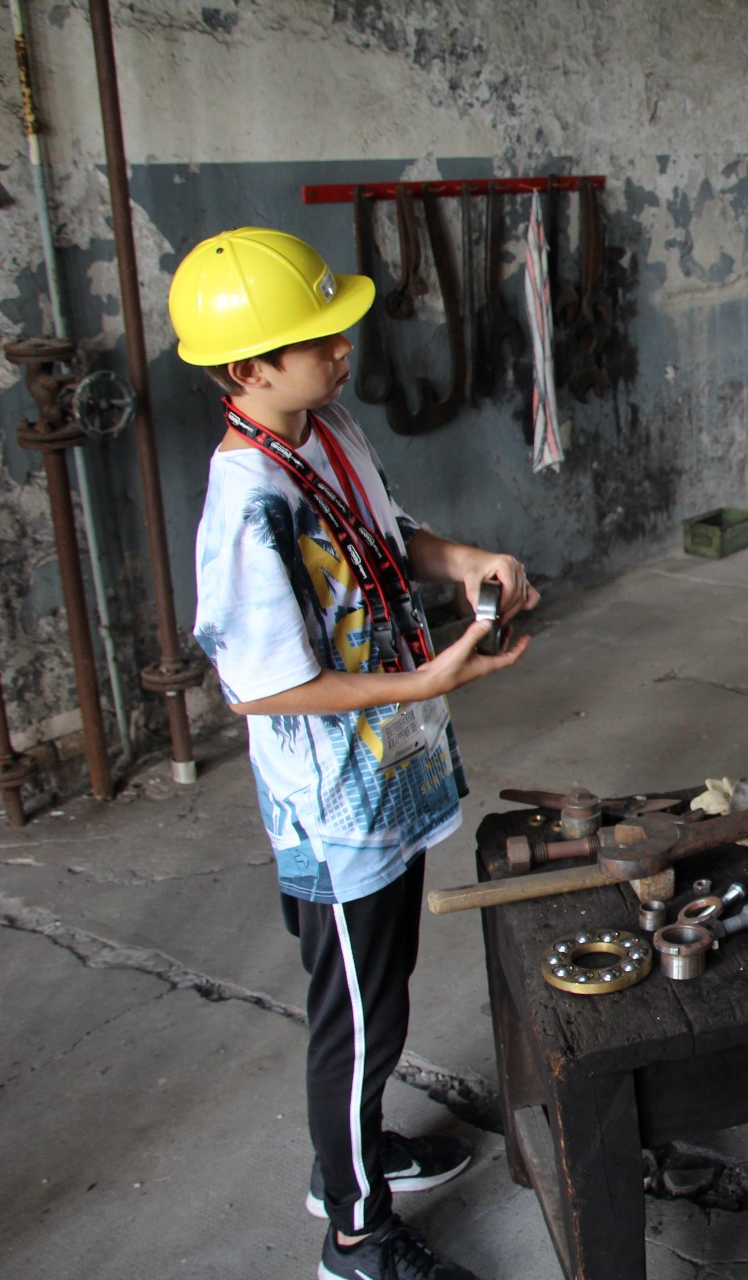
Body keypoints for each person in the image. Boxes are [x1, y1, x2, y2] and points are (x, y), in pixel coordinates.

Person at [171, 227, 537, 1280]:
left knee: (385, 981)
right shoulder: (246, 504)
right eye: (316, 336)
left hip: (389, 775)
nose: (343, 346)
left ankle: (356, 1155)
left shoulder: (323, 430)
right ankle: (353, 1232)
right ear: (247, 369)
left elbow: (391, 534)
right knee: (359, 1013)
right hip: (334, 806)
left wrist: (469, 557)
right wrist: (423, 680)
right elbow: (265, 683)